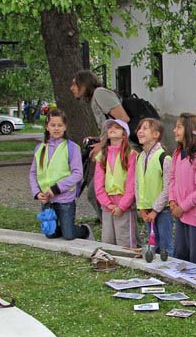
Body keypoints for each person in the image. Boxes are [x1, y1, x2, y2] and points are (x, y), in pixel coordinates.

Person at [70, 70, 131, 220]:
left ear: (83, 84)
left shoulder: (100, 93)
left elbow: (123, 119)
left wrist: (102, 144)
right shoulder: (94, 99)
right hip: (112, 149)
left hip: (122, 150)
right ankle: (109, 221)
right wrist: (99, 139)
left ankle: (114, 221)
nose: (71, 88)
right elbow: (111, 126)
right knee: (95, 192)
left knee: (97, 191)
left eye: (74, 84)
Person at [29, 109, 84, 240]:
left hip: (65, 199)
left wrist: (56, 188)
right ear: (47, 127)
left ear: (65, 127)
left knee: (68, 235)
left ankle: (84, 230)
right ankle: (61, 227)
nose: (56, 128)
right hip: (47, 199)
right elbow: (33, 173)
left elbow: (77, 174)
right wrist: (37, 193)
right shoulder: (40, 148)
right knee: (50, 234)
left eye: (60, 125)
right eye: (53, 125)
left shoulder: (72, 147)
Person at [168, 113, 196, 264]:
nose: (174, 130)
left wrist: (183, 207)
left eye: (179, 127)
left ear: (190, 130)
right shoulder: (177, 153)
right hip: (180, 214)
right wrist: (172, 201)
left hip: (194, 216)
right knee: (180, 253)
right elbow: (172, 179)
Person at [94, 118, 137, 247]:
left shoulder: (131, 154)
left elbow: (132, 183)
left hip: (124, 202)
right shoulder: (102, 155)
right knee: (108, 238)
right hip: (108, 203)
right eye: (110, 127)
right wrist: (106, 203)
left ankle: (127, 262)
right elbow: (98, 183)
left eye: (117, 127)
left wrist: (122, 205)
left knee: (124, 239)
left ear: (124, 134)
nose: (112, 129)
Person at [135, 117, 173, 256]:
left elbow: (167, 187)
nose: (140, 131)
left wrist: (155, 210)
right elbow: (137, 184)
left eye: (145, 128)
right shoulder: (139, 157)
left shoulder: (164, 157)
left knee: (165, 246)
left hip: (162, 211)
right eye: (139, 128)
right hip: (146, 209)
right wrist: (141, 207)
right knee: (153, 244)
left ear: (156, 134)